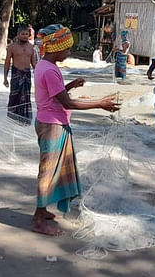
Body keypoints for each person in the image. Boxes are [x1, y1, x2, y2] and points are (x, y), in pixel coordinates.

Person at [32, 24, 120, 236]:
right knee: (48, 172)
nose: (69, 53)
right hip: (52, 125)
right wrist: (100, 103)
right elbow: (67, 103)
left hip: (48, 120)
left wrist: (70, 85)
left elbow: (55, 94)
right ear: (55, 48)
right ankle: (38, 218)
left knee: (52, 169)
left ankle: (43, 211)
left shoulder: (43, 65)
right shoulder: (51, 71)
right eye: (66, 49)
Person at [4, 26, 37, 125]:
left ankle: (24, 120)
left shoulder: (32, 48)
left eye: (26, 34)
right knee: (14, 97)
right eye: (22, 34)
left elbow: (34, 64)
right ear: (18, 35)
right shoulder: (12, 47)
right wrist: (5, 78)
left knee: (26, 98)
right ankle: (12, 119)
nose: (25, 36)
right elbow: (7, 62)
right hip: (16, 75)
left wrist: (40, 76)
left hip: (27, 76)